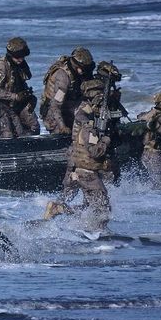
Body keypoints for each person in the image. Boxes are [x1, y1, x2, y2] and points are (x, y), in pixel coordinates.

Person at [47, 78, 115, 227]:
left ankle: (62, 210)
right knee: (103, 211)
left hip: (80, 169)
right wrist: (106, 139)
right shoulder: (87, 124)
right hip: (87, 172)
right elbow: (95, 152)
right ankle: (95, 236)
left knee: (91, 208)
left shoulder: (82, 113)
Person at [0, 38, 40, 138]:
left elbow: (26, 77)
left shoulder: (21, 64)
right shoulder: (2, 66)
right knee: (9, 135)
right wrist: (15, 96)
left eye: (23, 57)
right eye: (18, 57)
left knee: (34, 127)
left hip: (20, 103)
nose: (21, 60)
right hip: (5, 105)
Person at [41, 47, 94, 135]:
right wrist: (62, 127)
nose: (85, 72)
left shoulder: (78, 72)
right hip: (53, 111)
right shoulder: (63, 77)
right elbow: (55, 105)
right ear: (76, 66)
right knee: (59, 133)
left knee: (87, 109)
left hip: (68, 104)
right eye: (84, 68)